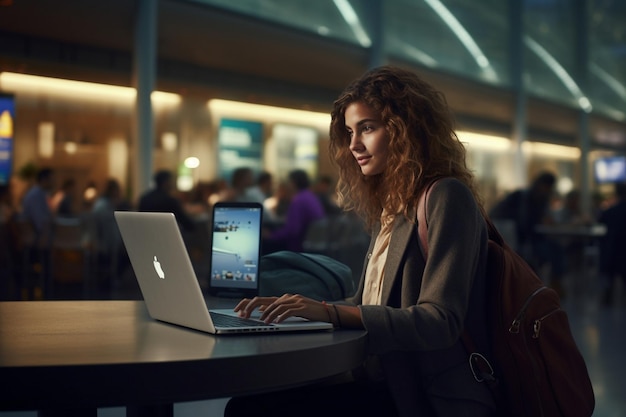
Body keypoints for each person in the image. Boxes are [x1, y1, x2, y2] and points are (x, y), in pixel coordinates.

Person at [226, 66, 495, 417]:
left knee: (250, 410)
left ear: (405, 129)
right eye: (350, 131)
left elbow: (439, 321)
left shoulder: (446, 196)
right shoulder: (395, 205)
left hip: (417, 396)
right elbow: (365, 302)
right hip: (377, 379)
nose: (353, 144)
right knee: (247, 404)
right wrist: (297, 310)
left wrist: (328, 312)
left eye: (367, 128)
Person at [489, 171, 566, 295]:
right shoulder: (524, 198)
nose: (547, 190)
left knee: (556, 248)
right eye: (546, 186)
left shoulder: (536, 199)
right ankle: (550, 284)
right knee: (553, 250)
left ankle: (553, 283)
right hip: (523, 241)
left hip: (527, 239)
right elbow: (526, 225)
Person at [262, 169, 325, 254]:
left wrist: (271, 235)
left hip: (298, 249)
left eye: (289, 181)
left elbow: (292, 231)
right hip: (311, 246)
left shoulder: (298, 200)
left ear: (293, 182)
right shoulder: (310, 196)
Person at [597, 182, 626, 305]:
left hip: (611, 251)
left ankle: (607, 298)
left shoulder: (610, 211)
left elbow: (600, 225)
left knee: (609, 276)